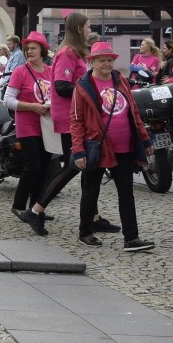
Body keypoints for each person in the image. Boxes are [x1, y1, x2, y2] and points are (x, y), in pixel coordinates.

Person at [19, 13, 119, 236]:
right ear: (78, 28)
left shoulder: (76, 52)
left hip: (79, 116)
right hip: (69, 119)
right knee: (73, 167)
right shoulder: (67, 53)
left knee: (87, 168)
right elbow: (62, 86)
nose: (89, 30)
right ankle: (35, 210)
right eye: (87, 26)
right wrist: (90, 90)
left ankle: (92, 217)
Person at [70, 42, 155, 251]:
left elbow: (134, 112)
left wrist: (145, 140)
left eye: (110, 59)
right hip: (96, 146)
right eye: (102, 60)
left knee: (126, 192)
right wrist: (78, 150)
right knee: (91, 190)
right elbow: (76, 120)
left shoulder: (122, 81)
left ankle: (131, 238)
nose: (107, 63)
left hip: (124, 146)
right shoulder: (83, 86)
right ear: (92, 62)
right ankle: (85, 232)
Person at [4, 32, 53, 220]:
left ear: (43, 50)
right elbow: (7, 100)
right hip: (27, 126)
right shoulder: (20, 72)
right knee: (33, 166)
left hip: (47, 127)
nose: (29, 51)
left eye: (33, 48)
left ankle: (35, 209)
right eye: (27, 48)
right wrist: (32, 107)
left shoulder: (50, 71)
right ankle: (18, 205)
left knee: (45, 168)